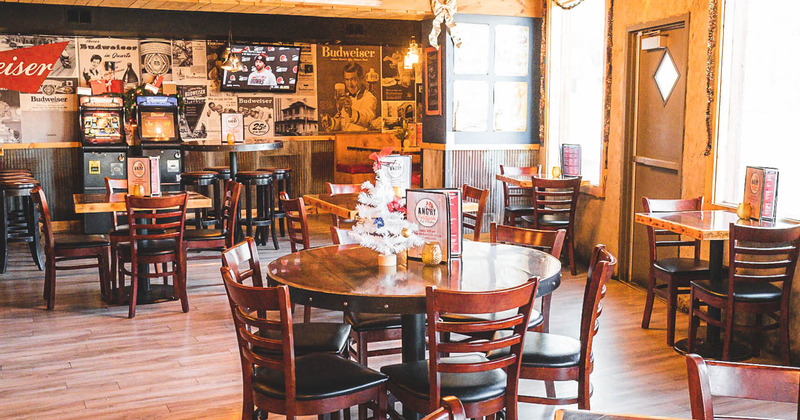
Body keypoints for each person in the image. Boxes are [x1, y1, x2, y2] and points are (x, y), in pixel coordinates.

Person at [335, 61, 378, 131]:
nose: (349, 84)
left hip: (362, 140)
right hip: (344, 139)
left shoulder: (369, 97)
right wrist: (331, 122)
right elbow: (342, 123)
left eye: (353, 79)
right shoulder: (346, 96)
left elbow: (368, 119)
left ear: (361, 79)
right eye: (347, 80)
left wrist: (350, 111)